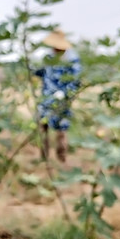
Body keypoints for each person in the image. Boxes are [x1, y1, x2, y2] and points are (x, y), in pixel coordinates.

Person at [34, 29, 81, 162]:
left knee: (61, 129)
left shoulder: (72, 60)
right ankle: (44, 157)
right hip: (46, 97)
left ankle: (61, 157)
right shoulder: (48, 57)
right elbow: (42, 73)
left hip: (63, 100)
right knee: (43, 126)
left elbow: (76, 80)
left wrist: (66, 94)